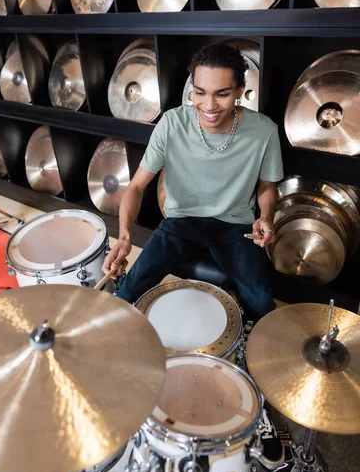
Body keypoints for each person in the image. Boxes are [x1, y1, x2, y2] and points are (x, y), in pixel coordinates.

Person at [103, 43, 284, 321]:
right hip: (181, 221)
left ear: (238, 91)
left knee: (261, 305)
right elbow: (137, 186)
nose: (209, 106)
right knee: (126, 293)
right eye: (200, 92)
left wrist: (266, 217)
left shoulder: (264, 130)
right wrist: (125, 236)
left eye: (222, 94)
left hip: (235, 225)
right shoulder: (172, 123)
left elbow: (266, 187)